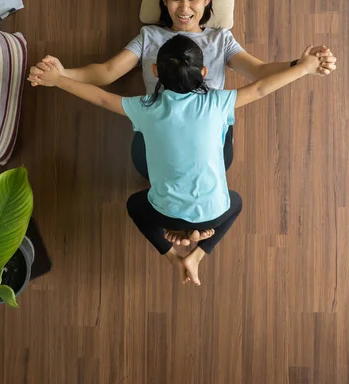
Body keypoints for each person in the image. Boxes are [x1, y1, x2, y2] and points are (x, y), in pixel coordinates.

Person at [31, 34, 325, 286]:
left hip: (169, 216)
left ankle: (174, 255)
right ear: (205, 71)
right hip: (211, 214)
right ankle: (198, 253)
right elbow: (262, 87)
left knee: (137, 205)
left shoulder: (145, 107)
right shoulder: (219, 102)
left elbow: (101, 98)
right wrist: (305, 67)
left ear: (156, 71)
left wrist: (58, 79)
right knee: (233, 203)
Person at [28, 0, 337, 176]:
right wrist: (62, 74)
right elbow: (107, 73)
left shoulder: (220, 39)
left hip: (208, 136)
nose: (184, 8)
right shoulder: (150, 36)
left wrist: (302, 64)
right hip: (159, 129)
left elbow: (259, 74)